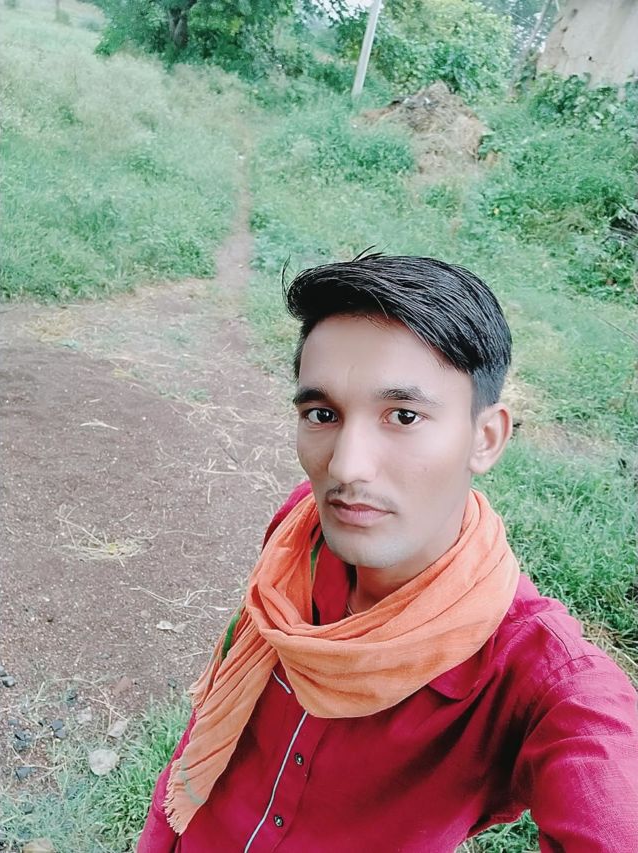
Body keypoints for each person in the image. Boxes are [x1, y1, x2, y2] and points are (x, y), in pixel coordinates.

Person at [138, 254, 638, 852]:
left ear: (485, 438)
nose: (346, 467)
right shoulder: (300, 533)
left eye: (403, 416)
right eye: (322, 414)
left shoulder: (536, 679)